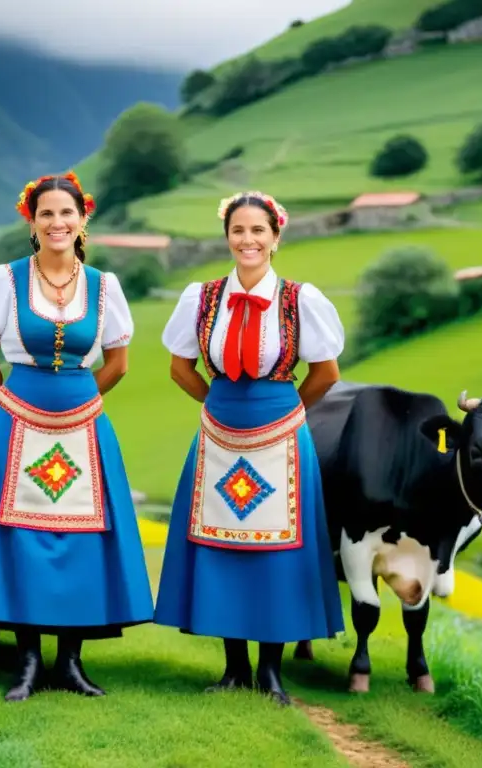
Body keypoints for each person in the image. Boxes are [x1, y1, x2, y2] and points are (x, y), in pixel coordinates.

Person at [0, 171, 154, 702]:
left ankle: (71, 662)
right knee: (19, 540)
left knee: (83, 542)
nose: (57, 222)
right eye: (46, 214)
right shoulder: (6, 280)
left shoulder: (105, 286)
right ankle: (27, 662)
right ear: (32, 222)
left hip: (84, 426)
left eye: (66, 213)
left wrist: (83, 401)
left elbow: (118, 362)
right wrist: (10, 405)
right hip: (16, 422)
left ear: (82, 218)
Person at [152, 190, 345, 706]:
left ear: (276, 238)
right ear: (227, 237)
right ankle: (234, 666)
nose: (248, 240)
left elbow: (327, 373)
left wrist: (290, 411)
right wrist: (215, 404)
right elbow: (179, 368)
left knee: (278, 553)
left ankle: (271, 672)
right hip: (219, 433)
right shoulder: (202, 296)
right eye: (238, 230)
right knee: (221, 548)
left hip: (280, 433)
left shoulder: (301, 299)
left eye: (258, 231)